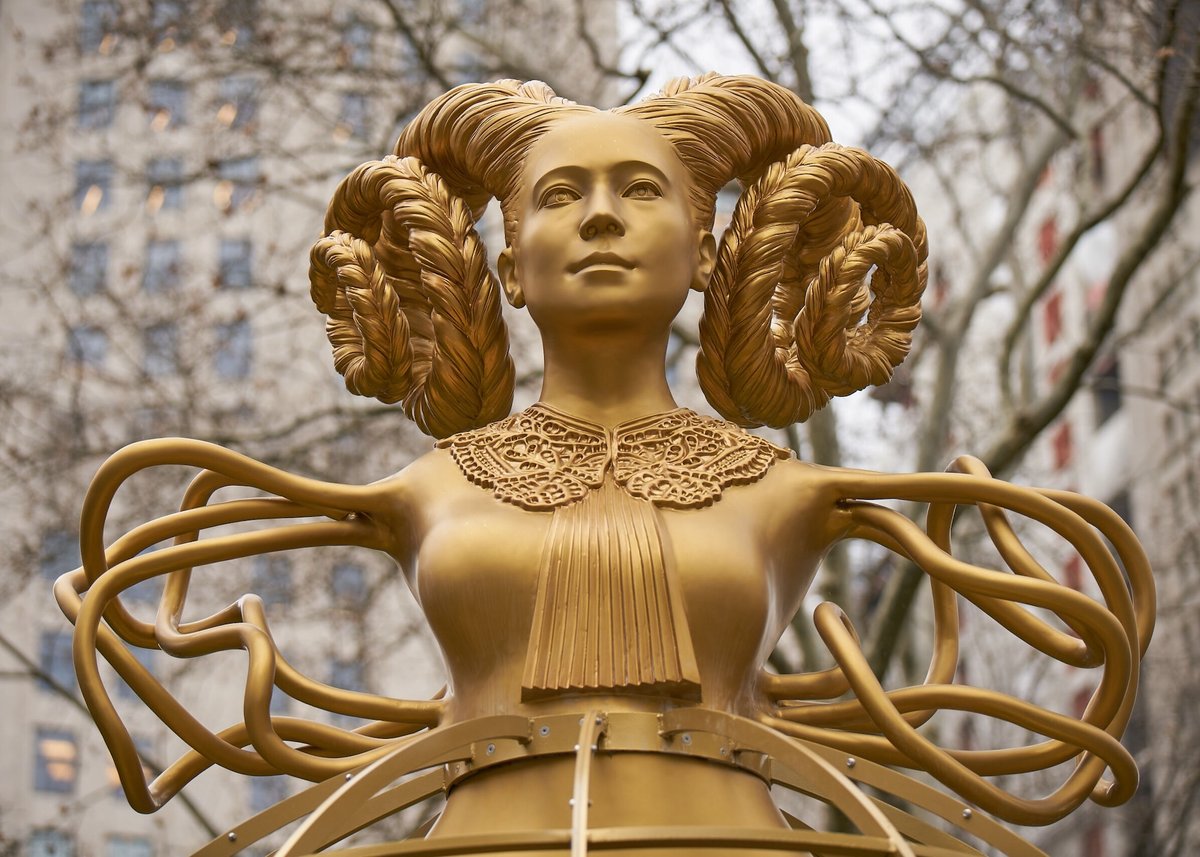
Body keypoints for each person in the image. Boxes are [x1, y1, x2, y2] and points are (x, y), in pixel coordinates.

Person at [57, 75, 1153, 857]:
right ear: (508, 268)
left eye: (639, 190)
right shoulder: (426, 488)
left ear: (707, 252)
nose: (598, 219)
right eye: (559, 195)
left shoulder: (789, 488)